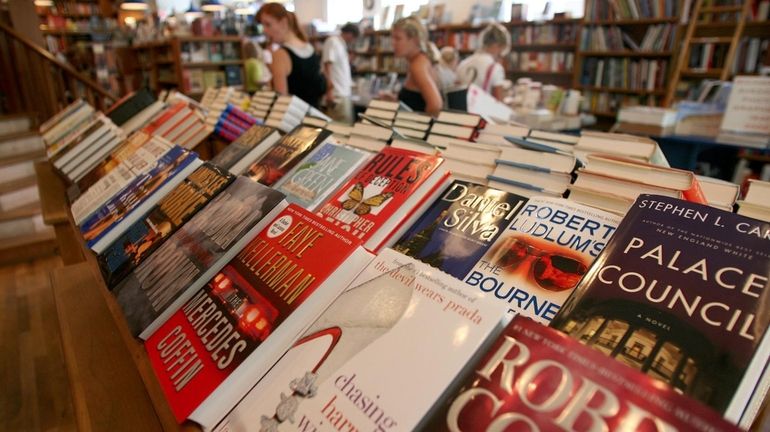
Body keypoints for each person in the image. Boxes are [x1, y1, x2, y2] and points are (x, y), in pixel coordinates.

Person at [256, 3, 326, 108]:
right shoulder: (310, 49)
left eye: (268, 24)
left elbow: (281, 101)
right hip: (316, 117)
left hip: (293, 120)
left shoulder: (280, 54)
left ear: (283, 22)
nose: (265, 30)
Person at [390, 17, 443, 116]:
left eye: (398, 38)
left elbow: (436, 105)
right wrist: (396, 101)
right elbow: (416, 103)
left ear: (415, 40)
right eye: (392, 38)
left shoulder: (418, 66)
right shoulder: (418, 61)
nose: (392, 43)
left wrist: (419, 127)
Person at [457, 23, 510, 101]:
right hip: (482, 112)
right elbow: (498, 101)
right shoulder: (495, 68)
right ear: (499, 45)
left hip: (461, 111)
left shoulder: (463, 63)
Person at [322, 23, 359, 123]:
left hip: (343, 93)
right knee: (342, 127)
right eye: (354, 38)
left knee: (346, 123)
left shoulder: (341, 44)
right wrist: (329, 91)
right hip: (337, 93)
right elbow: (327, 66)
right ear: (350, 34)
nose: (353, 41)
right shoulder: (333, 41)